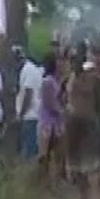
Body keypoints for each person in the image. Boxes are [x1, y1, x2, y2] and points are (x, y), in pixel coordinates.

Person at [64, 54, 100, 199]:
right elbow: (65, 98)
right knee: (75, 163)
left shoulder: (92, 79)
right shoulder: (70, 79)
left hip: (88, 122)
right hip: (74, 123)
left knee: (92, 163)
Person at [37, 55, 65, 188]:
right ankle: (45, 183)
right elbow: (50, 103)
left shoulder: (55, 81)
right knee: (45, 155)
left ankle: (52, 183)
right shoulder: (48, 81)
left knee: (56, 155)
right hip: (48, 122)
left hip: (55, 122)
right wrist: (62, 111)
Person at [15, 45, 43, 160]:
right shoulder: (27, 69)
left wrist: (21, 114)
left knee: (30, 151)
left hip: (31, 116)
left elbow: (28, 94)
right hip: (30, 115)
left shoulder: (28, 69)